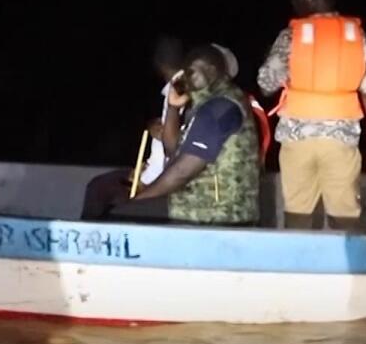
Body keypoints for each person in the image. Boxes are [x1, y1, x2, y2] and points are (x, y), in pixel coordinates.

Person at [82, 39, 269, 221]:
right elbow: (173, 150)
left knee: (122, 216)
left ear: (212, 71)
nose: (185, 76)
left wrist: (136, 202)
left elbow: (182, 171)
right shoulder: (207, 103)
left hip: (218, 209)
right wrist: (172, 107)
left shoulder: (219, 108)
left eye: (191, 71)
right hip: (202, 201)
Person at [258, 0, 366, 231]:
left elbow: (265, 84)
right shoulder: (355, 35)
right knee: (345, 214)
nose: (293, 3)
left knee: (297, 213)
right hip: (341, 140)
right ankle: (346, 265)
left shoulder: (290, 36)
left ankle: (300, 266)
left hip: (297, 140)